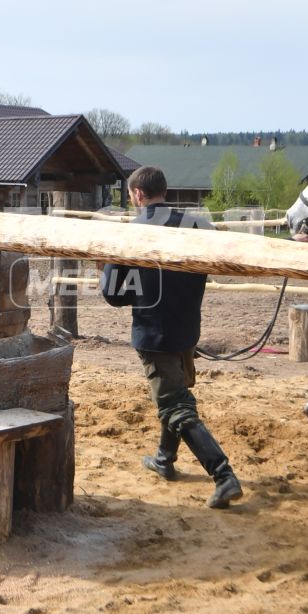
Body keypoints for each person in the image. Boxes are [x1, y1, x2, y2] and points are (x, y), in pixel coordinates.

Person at [99, 166, 244, 507]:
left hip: (153, 332)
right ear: (164, 191)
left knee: (175, 405)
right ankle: (165, 459)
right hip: (188, 329)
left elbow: (112, 295)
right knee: (175, 394)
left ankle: (223, 475)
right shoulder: (201, 227)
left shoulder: (131, 234)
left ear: (137, 194)